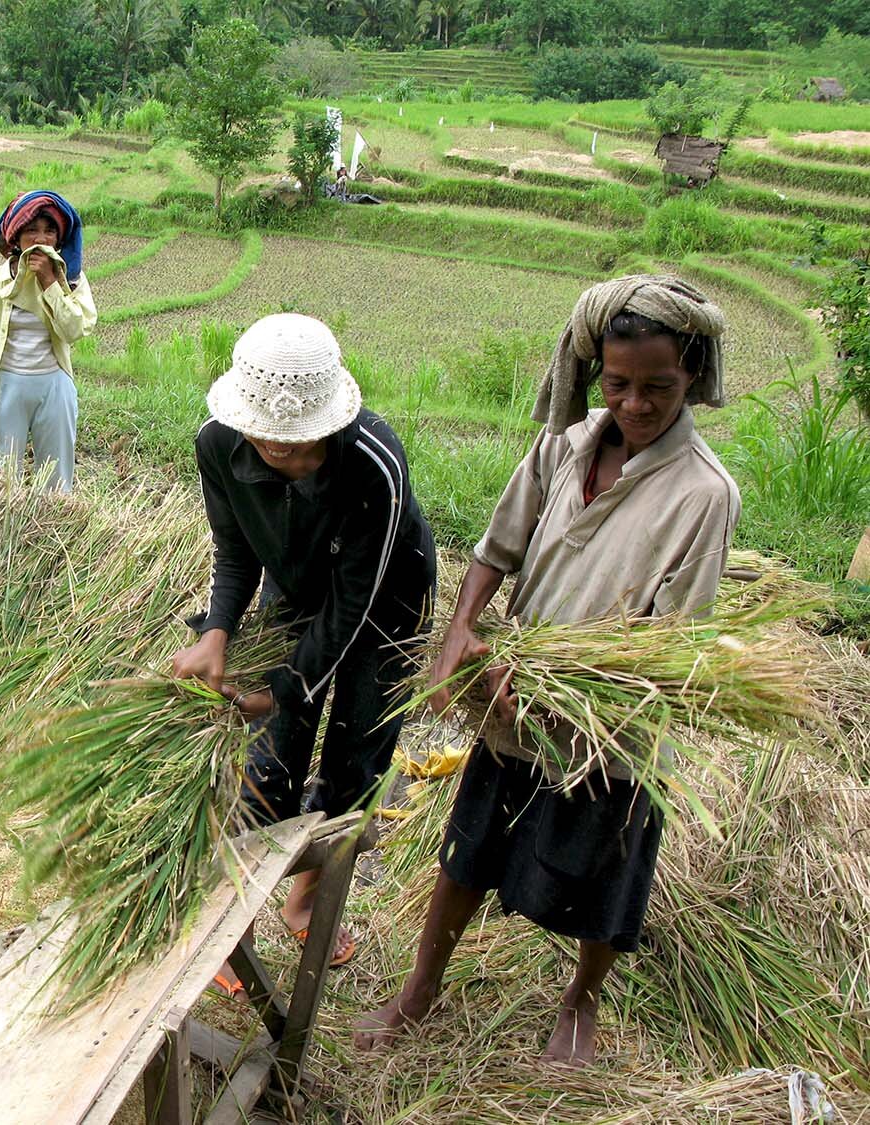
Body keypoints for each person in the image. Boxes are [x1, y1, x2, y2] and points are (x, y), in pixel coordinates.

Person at [354, 275, 739, 1065]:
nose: (635, 404)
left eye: (659, 387)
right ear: (595, 372)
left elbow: (668, 645)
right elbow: (497, 547)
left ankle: (581, 999)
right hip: (512, 709)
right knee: (467, 851)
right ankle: (421, 986)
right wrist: (462, 629)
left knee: (604, 883)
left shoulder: (704, 494)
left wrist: (558, 691)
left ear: (693, 376)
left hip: (610, 727)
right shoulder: (564, 442)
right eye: (619, 383)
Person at [171, 313, 437, 990]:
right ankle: (232, 929)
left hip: (384, 601)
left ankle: (307, 899)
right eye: (261, 433)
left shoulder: (374, 463)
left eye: (293, 442)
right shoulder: (219, 443)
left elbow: (353, 605)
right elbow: (235, 551)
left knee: (358, 754)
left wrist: (287, 685)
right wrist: (217, 631)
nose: (273, 446)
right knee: (268, 760)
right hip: (292, 585)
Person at [0, 190, 97, 492]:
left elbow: (75, 330)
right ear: (16, 237)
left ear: (59, 239)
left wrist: (49, 282)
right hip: (6, 387)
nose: (41, 239)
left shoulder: (71, 279)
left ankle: (55, 523)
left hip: (54, 386)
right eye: (32, 230)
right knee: (1, 483)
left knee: (56, 483)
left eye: (50, 231)